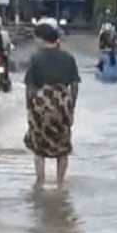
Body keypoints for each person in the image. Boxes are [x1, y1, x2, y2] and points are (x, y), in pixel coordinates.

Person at [23, 21, 80, 188]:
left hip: (42, 104)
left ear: (41, 39)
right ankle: (60, 185)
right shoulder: (68, 58)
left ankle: (40, 182)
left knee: (38, 147)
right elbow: (74, 86)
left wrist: (29, 107)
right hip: (63, 104)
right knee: (62, 147)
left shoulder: (36, 59)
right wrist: (71, 108)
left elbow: (30, 87)